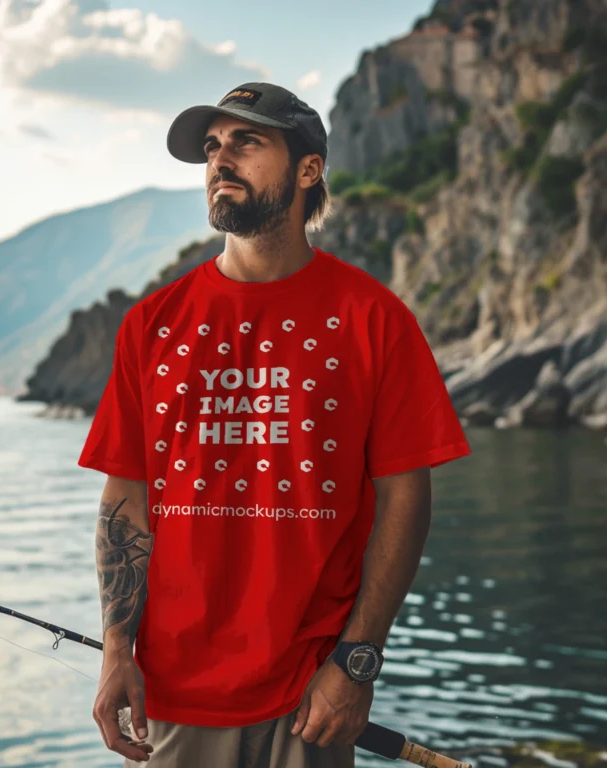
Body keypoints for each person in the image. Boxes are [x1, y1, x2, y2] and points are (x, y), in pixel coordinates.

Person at [77, 81, 472, 767]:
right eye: (212, 147)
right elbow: (126, 499)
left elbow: (406, 498)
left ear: (307, 170)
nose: (220, 161)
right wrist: (117, 653)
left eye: (246, 143)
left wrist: (356, 663)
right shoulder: (152, 325)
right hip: (178, 697)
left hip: (312, 697)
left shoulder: (375, 319)